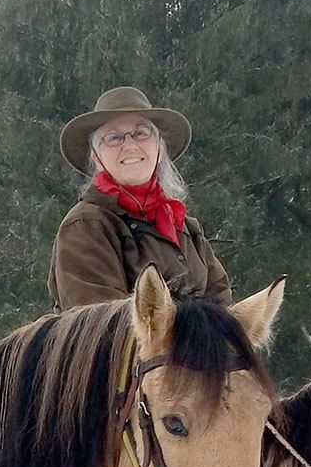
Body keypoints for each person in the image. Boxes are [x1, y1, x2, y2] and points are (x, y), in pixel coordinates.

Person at [49, 86, 232, 312]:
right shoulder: (86, 226)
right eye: (114, 138)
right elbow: (101, 323)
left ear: (160, 149)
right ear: (96, 157)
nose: (130, 145)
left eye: (141, 133)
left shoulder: (186, 227)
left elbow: (222, 306)